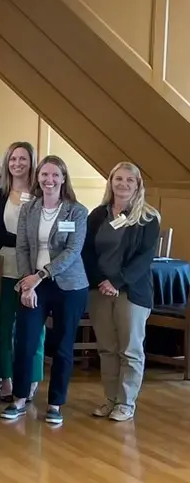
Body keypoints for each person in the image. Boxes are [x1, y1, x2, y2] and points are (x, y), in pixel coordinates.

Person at [0, 155, 89, 425]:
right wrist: (28, 281)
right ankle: (19, 399)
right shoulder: (30, 209)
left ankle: (55, 404)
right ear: (38, 178)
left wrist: (41, 275)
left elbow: (73, 251)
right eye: (44, 175)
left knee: (61, 346)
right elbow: (23, 247)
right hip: (32, 284)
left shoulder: (77, 211)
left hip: (69, 286)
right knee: (24, 342)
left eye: (55, 175)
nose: (49, 180)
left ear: (63, 178)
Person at [83, 162, 160, 422]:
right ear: (111, 182)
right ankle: (111, 399)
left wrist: (117, 282)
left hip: (132, 292)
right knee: (107, 348)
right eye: (119, 179)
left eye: (130, 180)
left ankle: (126, 403)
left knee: (130, 350)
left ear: (138, 185)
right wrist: (102, 281)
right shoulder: (97, 215)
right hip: (100, 290)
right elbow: (88, 253)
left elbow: (144, 257)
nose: (123, 184)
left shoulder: (148, 218)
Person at [0, 142, 42, 401]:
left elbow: (45, 234)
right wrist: (27, 240)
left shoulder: (42, 194)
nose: (18, 164)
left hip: (35, 270)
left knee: (33, 327)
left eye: (23, 159)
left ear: (32, 162)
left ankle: (30, 379)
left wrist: (28, 243)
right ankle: (6, 379)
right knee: (4, 325)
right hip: (4, 267)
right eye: (13, 159)